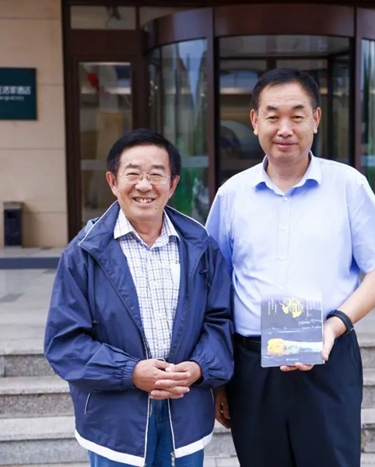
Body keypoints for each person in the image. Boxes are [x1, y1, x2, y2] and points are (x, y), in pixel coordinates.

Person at [206, 68, 375, 467]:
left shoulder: (348, 185)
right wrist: (218, 378)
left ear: (315, 119)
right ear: (255, 121)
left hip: (327, 358)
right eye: (273, 116)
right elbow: (214, 287)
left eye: (297, 116)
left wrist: (333, 326)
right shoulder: (232, 195)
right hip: (251, 365)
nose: (285, 128)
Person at [45, 129, 234, 467]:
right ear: (113, 181)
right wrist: (130, 371)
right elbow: (65, 342)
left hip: (185, 411)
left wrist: (199, 367)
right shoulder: (84, 252)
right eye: (132, 173)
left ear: (173, 184)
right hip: (115, 419)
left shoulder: (201, 246)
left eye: (156, 174)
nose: (144, 185)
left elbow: (220, 319)